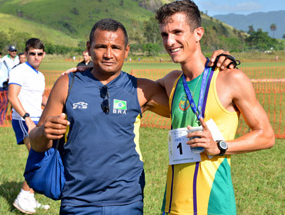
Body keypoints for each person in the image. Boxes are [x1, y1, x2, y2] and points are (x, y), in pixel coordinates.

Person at [30, 18, 232, 215]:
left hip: (127, 201)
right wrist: (44, 133)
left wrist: (214, 64)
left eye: (116, 48)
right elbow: (36, 142)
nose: (109, 54)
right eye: (101, 47)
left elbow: (193, 97)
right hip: (77, 200)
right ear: (89, 48)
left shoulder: (141, 89)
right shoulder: (67, 84)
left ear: (126, 50)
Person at [155, 1, 275, 214]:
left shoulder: (230, 79)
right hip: (173, 206)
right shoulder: (171, 82)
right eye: (165, 34)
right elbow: (130, 90)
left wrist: (220, 146)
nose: (170, 41)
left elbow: (266, 135)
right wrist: (90, 68)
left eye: (177, 32)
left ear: (198, 33)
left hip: (214, 206)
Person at [8, 38, 49, 214]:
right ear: (26, 54)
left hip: (37, 118)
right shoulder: (19, 71)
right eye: (32, 54)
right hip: (24, 120)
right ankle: (23, 196)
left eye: (39, 54)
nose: (36, 57)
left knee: (42, 156)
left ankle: (29, 198)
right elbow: (12, 96)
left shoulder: (40, 75)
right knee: (39, 156)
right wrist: (26, 118)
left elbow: (40, 98)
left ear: (44, 54)